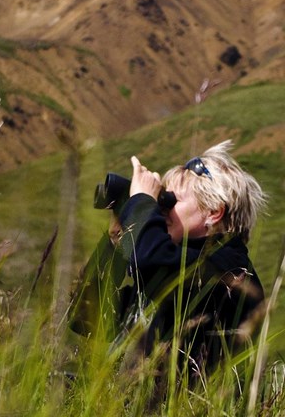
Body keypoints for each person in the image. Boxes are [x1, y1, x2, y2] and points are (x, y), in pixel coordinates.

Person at [112, 140, 267, 382]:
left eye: (171, 201)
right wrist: (121, 233)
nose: (162, 210)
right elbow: (87, 315)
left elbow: (150, 259)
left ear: (213, 212)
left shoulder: (231, 269)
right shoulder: (174, 259)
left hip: (195, 415)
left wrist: (142, 203)